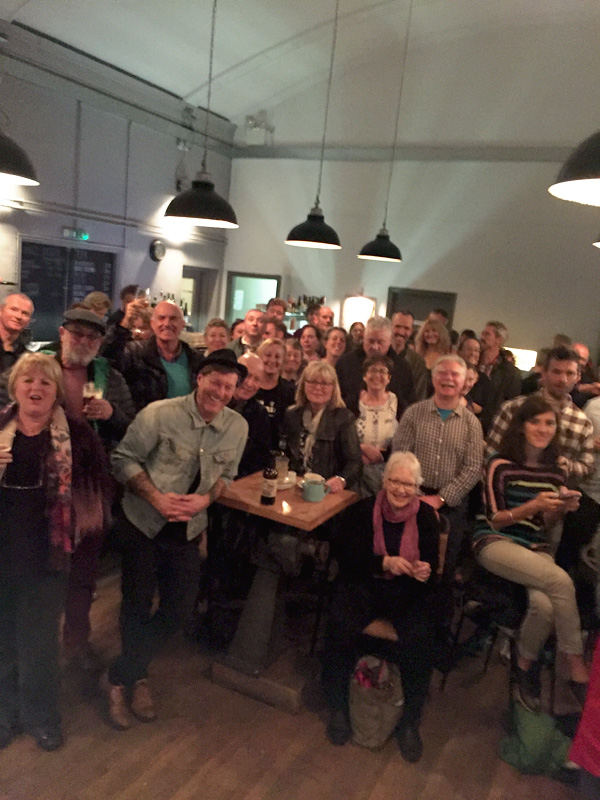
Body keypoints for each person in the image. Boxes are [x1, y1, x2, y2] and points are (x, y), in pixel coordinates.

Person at [104, 349, 248, 730]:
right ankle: (137, 679)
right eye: (215, 382)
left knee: (179, 609)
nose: (220, 392)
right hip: (142, 522)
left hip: (187, 529)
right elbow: (122, 459)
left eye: (229, 387)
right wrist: (155, 497)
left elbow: (227, 475)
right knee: (136, 604)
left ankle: (119, 674)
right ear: (199, 378)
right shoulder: (160, 413)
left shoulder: (237, 427)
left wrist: (206, 499)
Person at [0, 353, 109, 751]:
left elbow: (97, 497)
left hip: (48, 556)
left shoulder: (78, 436)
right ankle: (4, 714)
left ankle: (41, 716)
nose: (36, 388)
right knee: (2, 640)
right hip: (2, 553)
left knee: (39, 643)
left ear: (57, 392)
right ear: (14, 388)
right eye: (28, 380)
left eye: (46, 382)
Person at [321, 452, 440, 762]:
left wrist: (423, 571)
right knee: (340, 621)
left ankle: (410, 721)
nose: (401, 489)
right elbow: (347, 558)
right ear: (384, 481)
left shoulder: (427, 517)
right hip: (365, 583)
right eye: (395, 481)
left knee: (421, 638)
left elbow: (432, 567)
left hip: (406, 591)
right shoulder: (362, 511)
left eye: (408, 484)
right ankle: (338, 706)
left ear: (417, 487)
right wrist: (384, 563)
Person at [473, 395, 589, 712]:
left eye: (549, 423)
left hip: (534, 545)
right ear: (522, 426)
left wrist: (560, 509)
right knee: (561, 581)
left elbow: (544, 524)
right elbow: (496, 518)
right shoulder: (499, 464)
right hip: (495, 541)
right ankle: (575, 665)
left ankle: (523, 664)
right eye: (535, 421)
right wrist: (534, 504)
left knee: (545, 606)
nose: (542, 428)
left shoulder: (556, 472)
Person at [393, 355, 484, 576]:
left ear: (464, 381)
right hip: (411, 497)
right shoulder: (413, 413)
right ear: (433, 378)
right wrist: (414, 495)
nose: (448, 378)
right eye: (443, 373)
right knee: (407, 558)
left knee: (444, 566)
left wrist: (440, 499)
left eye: (455, 374)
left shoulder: (472, 423)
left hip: (452, 505)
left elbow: (473, 468)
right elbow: (400, 457)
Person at [101, 300, 204, 412]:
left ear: (182, 324)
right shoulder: (135, 352)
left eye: (173, 318)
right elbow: (107, 361)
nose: (167, 324)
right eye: (161, 318)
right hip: (144, 421)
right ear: (152, 324)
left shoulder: (195, 359)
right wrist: (124, 325)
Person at [281, 360, 361, 493]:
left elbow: (355, 463)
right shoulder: (291, 414)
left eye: (324, 383)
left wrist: (341, 480)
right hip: (295, 486)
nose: (318, 388)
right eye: (312, 382)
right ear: (303, 385)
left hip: (327, 490)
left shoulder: (344, 418)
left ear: (333, 388)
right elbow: (283, 453)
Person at [336, 316, 415, 415]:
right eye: (371, 341)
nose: (375, 347)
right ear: (364, 338)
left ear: (389, 341)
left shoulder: (402, 367)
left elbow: (409, 406)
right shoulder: (346, 363)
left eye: (380, 342)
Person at [350, 355, 398, 494]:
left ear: (389, 378)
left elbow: (406, 439)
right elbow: (342, 435)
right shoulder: (352, 402)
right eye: (372, 370)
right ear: (365, 376)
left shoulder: (398, 403)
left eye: (382, 371)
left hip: (390, 470)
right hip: (357, 468)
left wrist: (383, 456)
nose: (377, 375)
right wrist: (361, 449)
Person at [255, 338, 295, 448]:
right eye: (268, 355)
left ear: (283, 361)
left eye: (277, 357)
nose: (272, 360)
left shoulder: (290, 391)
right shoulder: (250, 387)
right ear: (259, 357)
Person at [479, 321, 522, 421]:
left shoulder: (510, 372)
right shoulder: (474, 363)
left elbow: (511, 404)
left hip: (492, 422)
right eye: (482, 333)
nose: (481, 337)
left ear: (498, 340)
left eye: (487, 334)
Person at [391, 310, 428, 401]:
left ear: (411, 331)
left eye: (406, 328)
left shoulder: (418, 362)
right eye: (398, 326)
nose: (401, 332)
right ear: (390, 327)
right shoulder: (380, 355)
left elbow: (419, 396)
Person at [0, 293, 34, 374]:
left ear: (29, 321)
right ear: (1, 311)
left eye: (25, 313)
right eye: (14, 309)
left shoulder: (28, 359)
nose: (19, 316)